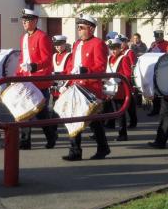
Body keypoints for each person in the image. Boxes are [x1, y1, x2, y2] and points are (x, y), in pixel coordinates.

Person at [62, 14, 110, 161]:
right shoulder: (77, 44)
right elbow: (71, 65)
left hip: (90, 87)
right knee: (74, 118)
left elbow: (101, 68)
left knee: (94, 122)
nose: (79, 30)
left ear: (91, 28)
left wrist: (86, 71)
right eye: (78, 27)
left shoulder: (98, 43)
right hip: (76, 86)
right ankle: (75, 151)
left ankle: (102, 147)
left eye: (82, 27)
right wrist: (65, 81)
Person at [16, 9, 58, 150]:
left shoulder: (42, 36)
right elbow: (22, 59)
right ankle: (25, 141)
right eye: (23, 20)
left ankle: (51, 136)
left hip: (39, 81)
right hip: (26, 80)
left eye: (27, 20)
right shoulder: (23, 38)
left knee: (41, 113)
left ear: (35, 21)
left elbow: (47, 59)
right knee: (24, 112)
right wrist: (17, 75)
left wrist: (34, 66)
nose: (24, 23)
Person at [105, 37, 133, 141]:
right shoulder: (109, 58)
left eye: (115, 48)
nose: (113, 50)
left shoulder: (124, 58)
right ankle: (100, 132)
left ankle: (123, 134)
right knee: (104, 111)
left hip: (120, 90)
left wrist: (119, 80)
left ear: (120, 48)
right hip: (108, 89)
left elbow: (128, 74)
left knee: (120, 113)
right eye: (111, 48)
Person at [146, 29, 168, 117]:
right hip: (154, 69)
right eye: (156, 37)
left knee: (163, 89)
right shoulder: (153, 44)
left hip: (163, 69)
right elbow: (148, 54)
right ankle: (156, 108)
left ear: (161, 36)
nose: (156, 39)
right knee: (155, 89)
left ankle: (164, 109)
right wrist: (150, 48)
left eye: (158, 37)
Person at [51, 35, 72, 104]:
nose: (57, 47)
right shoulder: (54, 56)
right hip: (55, 88)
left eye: (59, 45)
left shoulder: (69, 55)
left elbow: (70, 71)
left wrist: (58, 74)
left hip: (64, 87)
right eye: (55, 45)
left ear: (64, 44)